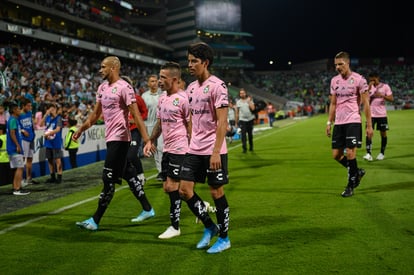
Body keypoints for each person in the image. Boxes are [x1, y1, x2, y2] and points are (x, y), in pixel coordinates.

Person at [73, 56, 154, 231]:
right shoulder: (102, 88)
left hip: (121, 139)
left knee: (107, 179)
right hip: (110, 138)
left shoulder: (125, 88)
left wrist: (146, 140)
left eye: (103, 67)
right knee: (129, 174)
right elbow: (95, 115)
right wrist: (81, 129)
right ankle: (148, 209)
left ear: (114, 67)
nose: (100, 70)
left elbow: (137, 115)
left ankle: (95, 220)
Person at [179, 42, 231, 253]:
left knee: (216, 192)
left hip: (213, 150)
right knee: (184, 190)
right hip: (194, 148)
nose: (189, 65)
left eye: (194, 61)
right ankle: (210, 227)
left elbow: (222, 122)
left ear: (205, 63)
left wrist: (216, 151)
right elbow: (192, 118)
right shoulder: (190, 88)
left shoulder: (218, 86)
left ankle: (225, 238)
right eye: (188, 61)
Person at [144, 61, 191, 239]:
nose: (159, 80)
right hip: (167, 149)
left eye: (163, 77)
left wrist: (193, 149)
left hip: (180, 148)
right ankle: (203, 209)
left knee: (173, 186)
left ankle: (175, 226)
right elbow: (160, 122)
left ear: (174, 79)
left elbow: (190, 124)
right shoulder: (163, 98)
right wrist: (151, 140)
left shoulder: (183, 99)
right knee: (170, 188)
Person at [326, 51, 373, 198]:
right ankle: (356, 172)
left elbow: (366, 104)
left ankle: (350, 185)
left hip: (353, 120)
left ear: (348, 63)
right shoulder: (334, 81)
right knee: (336, 155)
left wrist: (369, 125)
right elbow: (333, 103)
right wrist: (329, 122)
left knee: (351, 153)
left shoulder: (359, 80)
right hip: (339, 122)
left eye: (341, 64)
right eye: (336, 65)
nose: (338, 67)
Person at [120, 75, 155, 223]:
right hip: (122, 133)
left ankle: (140, 176)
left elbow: (144, 112)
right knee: (124, 162)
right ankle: (135, 180)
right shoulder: (119, 100)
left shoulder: (137, 98)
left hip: (134, 130)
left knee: (132, 156)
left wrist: (138, 118)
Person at [363, 71, 394, 161]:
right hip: (371, 114)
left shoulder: (385, 86)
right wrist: (369, 88)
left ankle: (382, 153)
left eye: (374, 79)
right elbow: (364, 99)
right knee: (368, 133)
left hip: (382, 114)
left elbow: (391, 98)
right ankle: (368, 154)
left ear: (378, 78)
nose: (373, 81)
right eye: (371, 80)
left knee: (383, 133)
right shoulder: (368, 88)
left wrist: (382, 95)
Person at [141, 74, 163, 180]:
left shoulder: (163, 94)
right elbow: (142, 113)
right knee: (154, 149)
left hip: (161, 124)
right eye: (152, 81)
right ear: (148, 83)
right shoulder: (144, 96)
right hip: (149, 125)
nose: (154, 83)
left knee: (161, 147)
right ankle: (160, 171)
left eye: (155, 81)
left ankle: (164, 170)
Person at [6, 102, 30, 195]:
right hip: (14, 148)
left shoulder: (14, 120)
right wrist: (17, 145)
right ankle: (17, 189)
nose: (20, 111)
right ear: (14, 110)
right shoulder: (12, 120)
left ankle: (16, 187)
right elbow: (12, 133)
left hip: (13, 148)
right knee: (20, 167)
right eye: (18, 109)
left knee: (17, 168)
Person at [41, 103, 64, 184]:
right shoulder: (47, 118)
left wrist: (48, 134)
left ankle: (59, 177)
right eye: (50, 109)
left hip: (56, 142)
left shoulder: (59, 118)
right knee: (50, 160)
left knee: (58, 160)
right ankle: (52, 177)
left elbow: (58, 129)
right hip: (48, 142)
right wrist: (45, 115)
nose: (51, 110)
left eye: (53, 109)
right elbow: (40, 124)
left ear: (55, 109)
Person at [19, 98, 38, 185]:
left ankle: (28, 178)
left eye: (30, 105)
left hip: (31, 139)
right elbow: (16, 127)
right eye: (28, 106)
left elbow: (31, 125)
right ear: (23, 106)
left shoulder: (30, 113)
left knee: (30, 159)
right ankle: (21, 179)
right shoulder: (19, 115)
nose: (30, 107)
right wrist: (22, 131)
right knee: (22, 159)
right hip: (24, 139)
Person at [236, 88, 255, 153]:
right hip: (242, 120)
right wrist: (236, 122)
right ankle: (244, 148)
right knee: (243, 135)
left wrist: (249, 101)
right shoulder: (238, 102)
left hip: (250, 119)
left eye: (243, 93)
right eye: (241, 93)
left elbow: (253, 108)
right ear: (239, 94)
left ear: (245, 93)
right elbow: (237, 113)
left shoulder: (249, 100)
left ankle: (251, 147)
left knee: (250, 135)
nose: (242, 94)